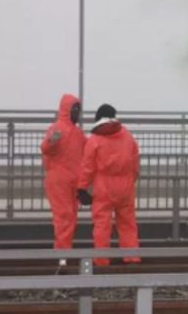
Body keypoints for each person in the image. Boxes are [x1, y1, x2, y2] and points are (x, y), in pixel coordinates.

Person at [77, 104, 141, 267]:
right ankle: (131, 257)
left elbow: (88, 166)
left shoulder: (95, 139)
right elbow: (135, 164)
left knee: (102, 225)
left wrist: (82, 187)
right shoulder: (127, 136)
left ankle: (102, 259)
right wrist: (130, 180)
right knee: (127, 224)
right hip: (125, 186)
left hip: (104, 187)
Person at [41, 94, 86, 261]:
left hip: (73, 181)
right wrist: (51, 141)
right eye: (74, 109)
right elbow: (46, 149)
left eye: (78, 110)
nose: (77, 113)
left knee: (70, 217)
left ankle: (64, 253)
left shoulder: (78, 133)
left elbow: (87, 152)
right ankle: (62, 255)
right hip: (59, 181)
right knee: (64, 217)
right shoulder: (57, 128)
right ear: (66, 109)